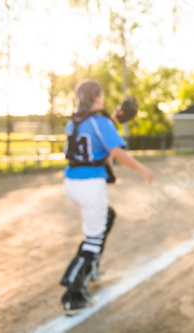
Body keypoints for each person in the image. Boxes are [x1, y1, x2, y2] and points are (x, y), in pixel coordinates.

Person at [60, 80, 154, 315]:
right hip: (90, 186)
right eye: (101, 95)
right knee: (93, 238)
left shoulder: (73, 122)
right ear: (98, 99)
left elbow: (93, 143)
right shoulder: (99, 121)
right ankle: (73, 295)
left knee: (107, 217)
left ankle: (91, 267)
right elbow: (115, 152)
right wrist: (142, 169)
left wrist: (114, 120)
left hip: (71, 183)